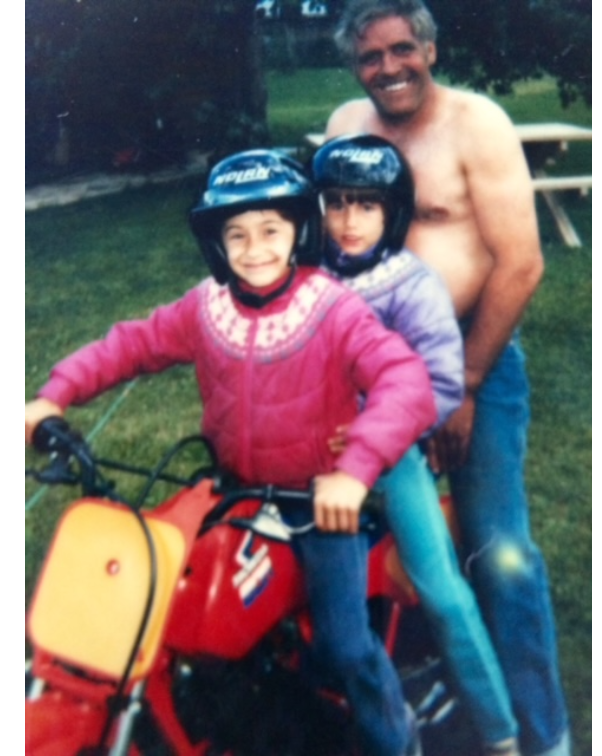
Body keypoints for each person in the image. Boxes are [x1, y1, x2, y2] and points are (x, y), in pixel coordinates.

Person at [23, 149, 435, 756]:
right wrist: (53, 395)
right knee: (162, 598)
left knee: (346, 646)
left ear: (301, 229)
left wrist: (353, 472)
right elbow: (131, 345)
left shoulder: (333, 308)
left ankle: (396, 741)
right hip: (232, 492)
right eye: (235, 234)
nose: (254, 248)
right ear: (216, 243)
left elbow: (406, 379)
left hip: (317, 503)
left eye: (271, 229)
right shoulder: (205, 306)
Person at [325, 2, 571, 755]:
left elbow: (521, 262)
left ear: (429, 48)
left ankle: (544, 733)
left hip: (473, 359)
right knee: (360, 532)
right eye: (372, 57)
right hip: (367, 366)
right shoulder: (344, 126)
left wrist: (462, 384)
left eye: (404, 49)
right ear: (353, 65)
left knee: (499, 550)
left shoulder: (477, 124)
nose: (390, 68)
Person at [312, 133, 520, 756]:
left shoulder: (411, 285)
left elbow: (440, 381)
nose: (349, 221)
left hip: (390, 453)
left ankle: (499, 732)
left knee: (442, 590)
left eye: (366, 205)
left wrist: (381, 427)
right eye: (337, 204)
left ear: (392, 209)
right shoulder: (311, 280)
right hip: (311, 455)